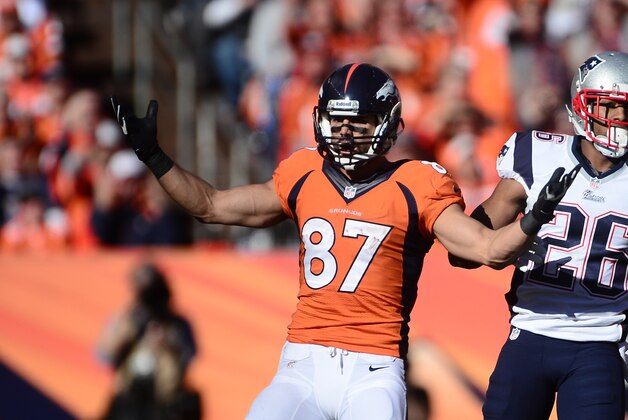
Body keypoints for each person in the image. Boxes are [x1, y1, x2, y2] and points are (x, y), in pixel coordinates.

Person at [111, 63, 579, 419]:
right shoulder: (303, 171)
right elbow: (210, 205)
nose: (346, 132)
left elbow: (483, 248)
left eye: (360, 122)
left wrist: (533, 218)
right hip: (300, 364)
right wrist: (154, 157)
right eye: (337, 121)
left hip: (373, 369)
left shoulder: (418, 182)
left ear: (390, 124)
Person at [449, 51, 628, 420]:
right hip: (531, 329)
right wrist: (530, 220)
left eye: (627, 109)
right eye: (609, 107)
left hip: (600, 341)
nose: (620, 120)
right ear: (583, 104)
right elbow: (467, 253)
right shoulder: (538, 154)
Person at [97, 261, 200, 420]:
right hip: (129, 400)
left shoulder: (177, 324)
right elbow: (103, 356)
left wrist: (168, 342)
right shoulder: (125, 320)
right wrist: (126, 334)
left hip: (166, 402)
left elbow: (190, 356)